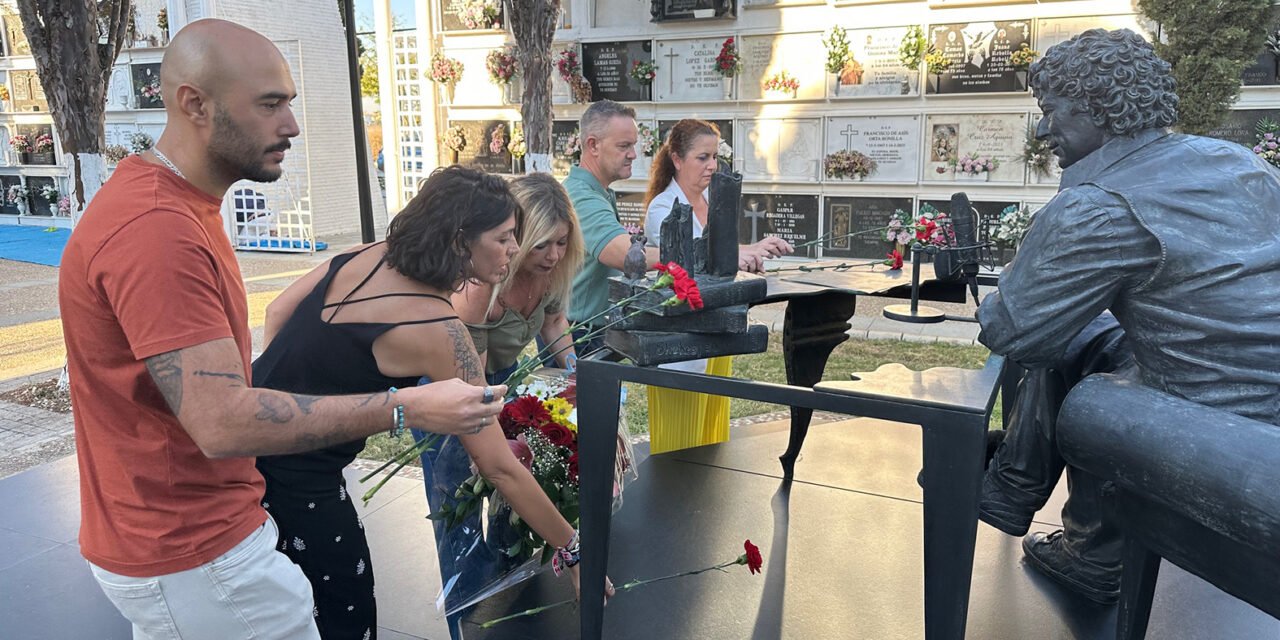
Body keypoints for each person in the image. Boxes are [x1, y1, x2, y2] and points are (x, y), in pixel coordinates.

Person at [57, 21, 503, 640]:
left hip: (189, 533)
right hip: (193, 549)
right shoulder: (157, 231)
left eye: (289, 101)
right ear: (195, 104)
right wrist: (405, 408)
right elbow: (220, 422)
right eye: (271, 104)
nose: (291, 124)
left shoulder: (180, 205)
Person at [974, 28, 1280, 605]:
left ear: (1097, 107)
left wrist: (1012, 281)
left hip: (1221, 433)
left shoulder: (1099, 203)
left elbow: (1012, 330)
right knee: (1086, 333)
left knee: (1077, 375)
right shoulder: (1237, 162)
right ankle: (1022, 498)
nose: (1043, 130)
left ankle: (1079, 544)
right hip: (1267, 407)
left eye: (1051, 110)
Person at [253, 166, 612, 638]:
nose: (513, 249)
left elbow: (278, 311)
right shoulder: (440, 330)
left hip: (248, 441)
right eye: (504, 237)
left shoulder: (368, 255)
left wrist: (282, 400)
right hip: (301, 481)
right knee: (346, 615)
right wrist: (573, 548)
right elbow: (498, 466)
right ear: (462, 239)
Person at [565, 101, 789, 358]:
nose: (633, 154)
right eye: (624, 146)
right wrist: (692, 257)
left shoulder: (598, 192)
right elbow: (623, 254)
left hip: (595, 328)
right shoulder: (582, 196)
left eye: (634, 145)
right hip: (582, 332)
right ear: (593, 145)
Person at [641, 119, 793, 453]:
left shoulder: (712, 199)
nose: (712, 165)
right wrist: (746, 253)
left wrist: (751, 253)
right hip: (680, 336)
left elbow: (723, 255)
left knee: (711, 434)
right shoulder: (663, 208)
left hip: (716, 328)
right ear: (677, 159)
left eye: (715, 157)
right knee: (680, 436)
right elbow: (695, 263)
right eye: (702, 157)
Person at [453, 173, 584, 384]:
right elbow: (473, 380)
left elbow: (554, 322)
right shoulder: (481, 284)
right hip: (462, 382)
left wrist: (578, 376)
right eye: (540, 245)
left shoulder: (550, 274)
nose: (553, 256)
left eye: (561, 242)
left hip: (508, 375)